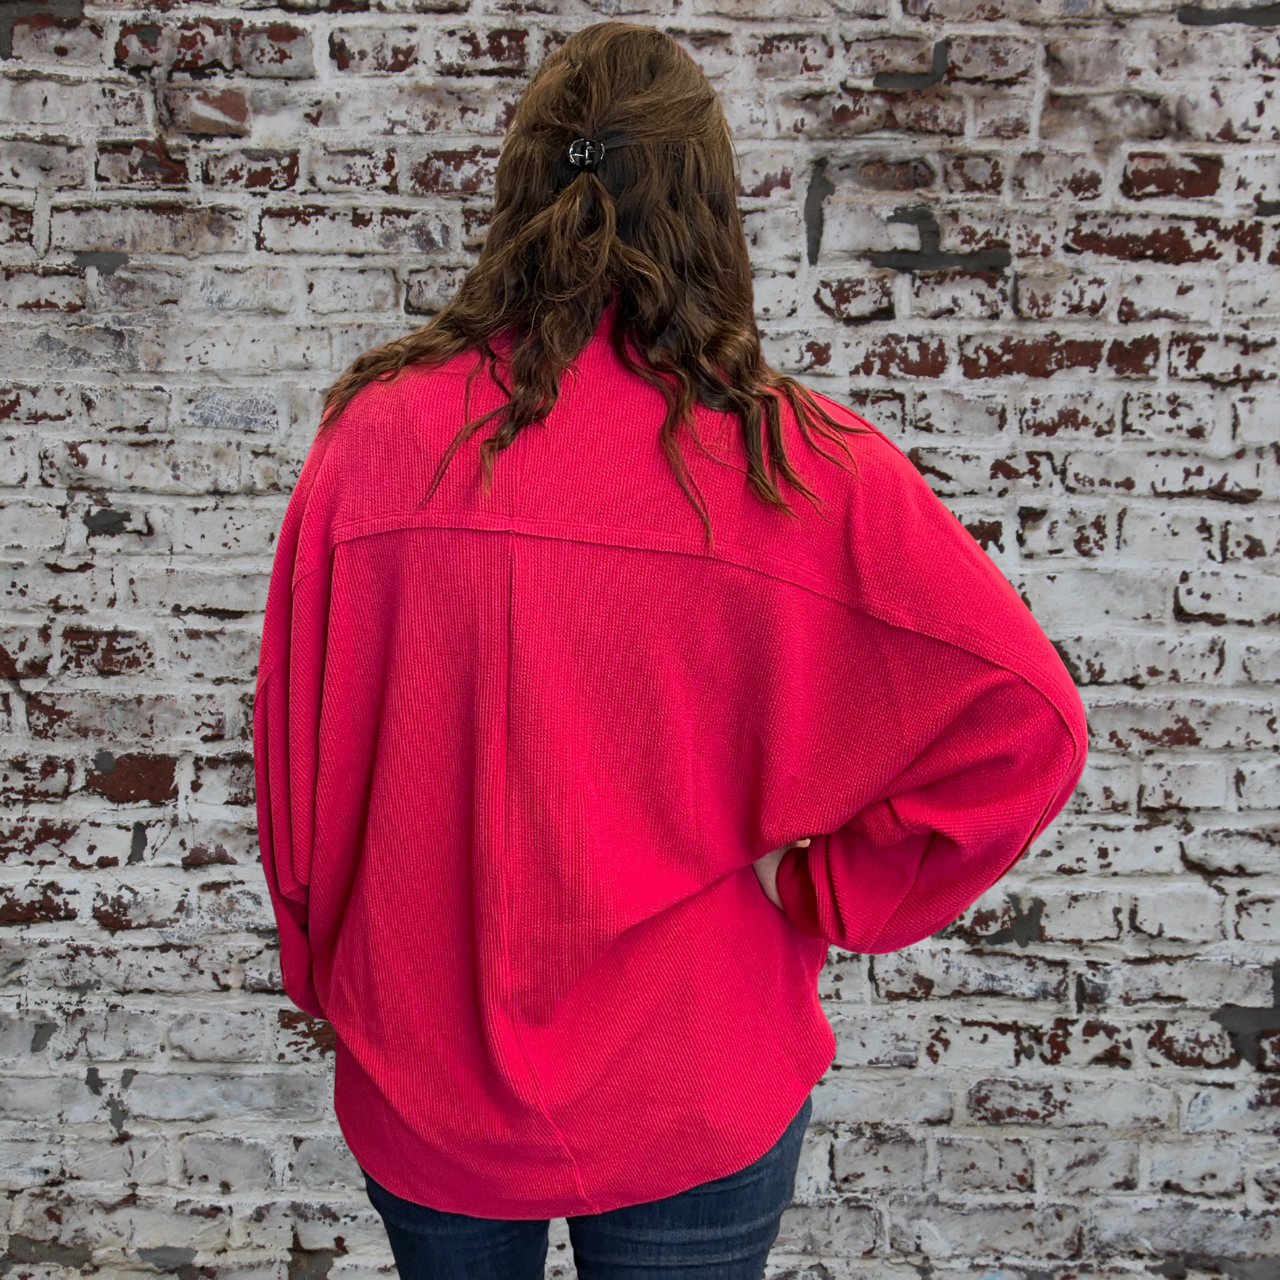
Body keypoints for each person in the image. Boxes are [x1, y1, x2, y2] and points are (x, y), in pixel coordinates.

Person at [251, 19, 1089, 1278]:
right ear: (707, 204)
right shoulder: (797, 463)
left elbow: (296, 775)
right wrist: (822, 887)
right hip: (691, 1071)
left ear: (520, 188)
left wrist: (332, 976)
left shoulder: (372, 440)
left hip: (426, 1068)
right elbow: (1029, 722)